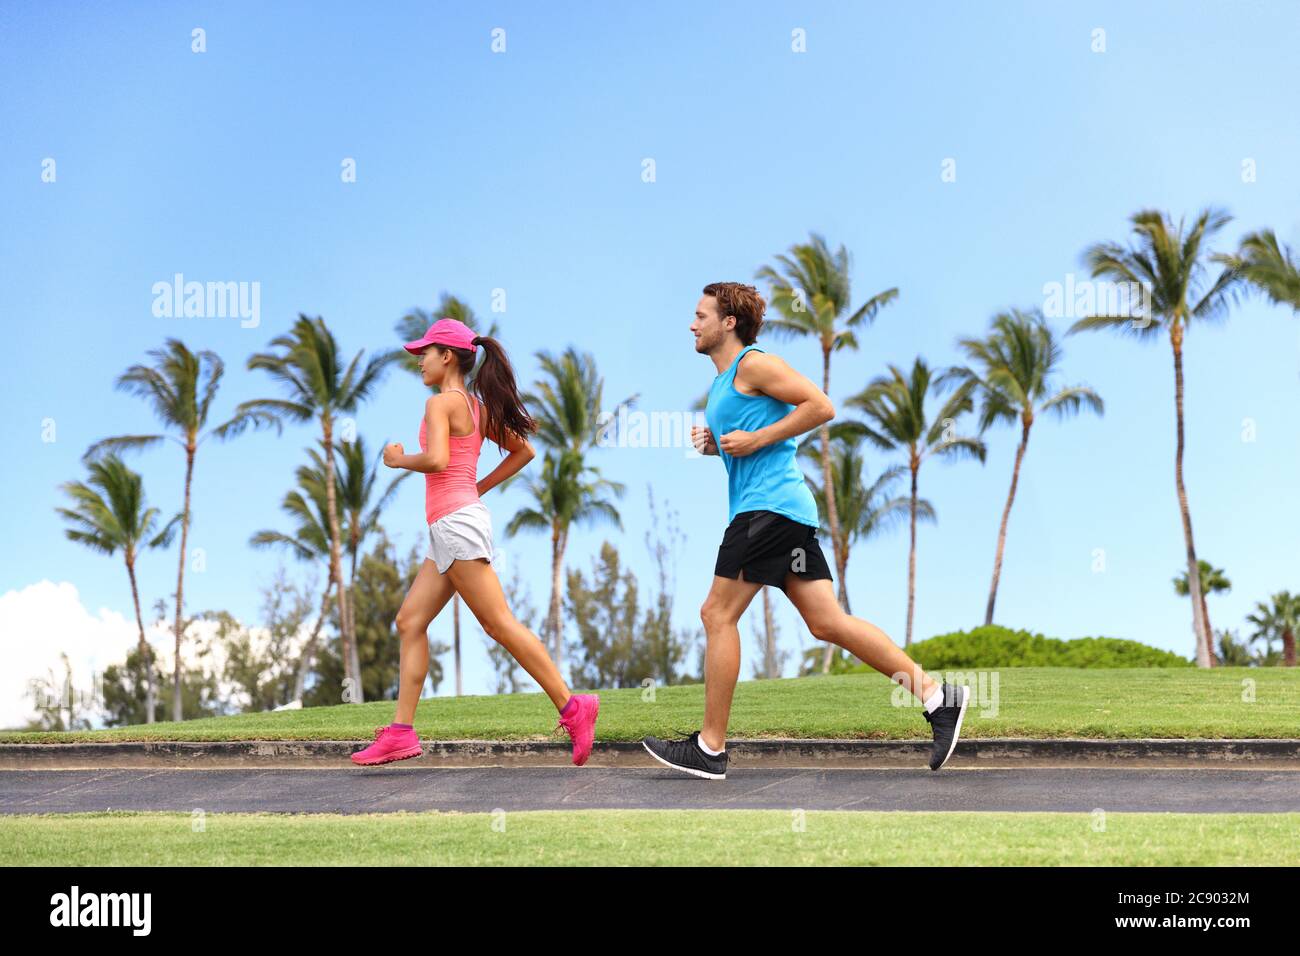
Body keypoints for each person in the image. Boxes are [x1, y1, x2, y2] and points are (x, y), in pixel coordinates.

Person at [641, 283, 969, 780]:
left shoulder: (753, 363)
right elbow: (750, 443)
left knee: (716, 613)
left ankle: (710, 748)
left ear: (728, 322)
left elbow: (820, 406)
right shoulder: (723, 382)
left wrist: (756, 438)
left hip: (766, 512)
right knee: (827, 623)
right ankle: (937, 697)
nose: (692, 324)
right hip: (782, 511)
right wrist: (720, 447)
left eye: (700, 315)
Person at [351, 317, 598, 766]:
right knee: (409, 621)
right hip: (451, 524)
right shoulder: (477, 407)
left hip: (455, 525)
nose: (420, 361)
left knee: (498, 623)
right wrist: (476, 488)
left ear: (447, 356)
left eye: (425, 353)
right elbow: (524, 450)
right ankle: (402, 732)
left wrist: (397, 459)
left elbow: (439, 458)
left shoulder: (441, 403)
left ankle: (572, 705)